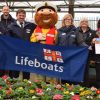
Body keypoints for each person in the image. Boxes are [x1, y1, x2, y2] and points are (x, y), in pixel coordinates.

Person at [30, 2, 58, 82]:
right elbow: (31, 40)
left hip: (51, 53)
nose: (46, 13)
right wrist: (37, 38)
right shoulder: (36, 30)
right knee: (39, 71)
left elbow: (57, 41)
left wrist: (48, 38)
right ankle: (39, 87)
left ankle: (50, 87)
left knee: (50, 72)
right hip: (39, 53)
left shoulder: (55, 30)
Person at [7, 9, 36, 79]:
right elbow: (7, 40)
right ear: (16, 16)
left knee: (26, 73)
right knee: (15, 73)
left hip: (27, 54)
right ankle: (13, 88)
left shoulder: (31, 26)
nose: (21, 17)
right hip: (15, 54)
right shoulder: (11, 27)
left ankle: (26, 87)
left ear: (25, 16)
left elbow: (40, 28)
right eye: (20, 15)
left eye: (23, 15)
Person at [57, 13, 79, 84]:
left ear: (72, 21)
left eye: (69, 19)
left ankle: (73, 91)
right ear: (63, 20)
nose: (68, 20)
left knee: (72, 73)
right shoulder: (59, 31)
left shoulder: (76, 31)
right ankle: (64, 90)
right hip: (63, 56)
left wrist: (88, 47)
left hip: (73, 56)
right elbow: (56, 43)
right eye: (66, 19)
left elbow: (80, 42)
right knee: (63, 73)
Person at [76, 18, 96, 87]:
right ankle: (77, 85)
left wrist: (95, 40)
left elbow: (97, 39)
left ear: (88, 23)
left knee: (86, 70)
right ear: (80, 23)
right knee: (78, 69)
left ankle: (86, 86)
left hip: (88, 54)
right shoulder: (76, 31)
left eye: (86, 21)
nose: (84, 22)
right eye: (82, 21)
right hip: (78, 54)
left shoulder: (93, 32)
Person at [91, 19, 100, 88]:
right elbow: (92, 46)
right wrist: (92, 42)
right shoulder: (95, 33)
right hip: (98, 59)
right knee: (98, 76)